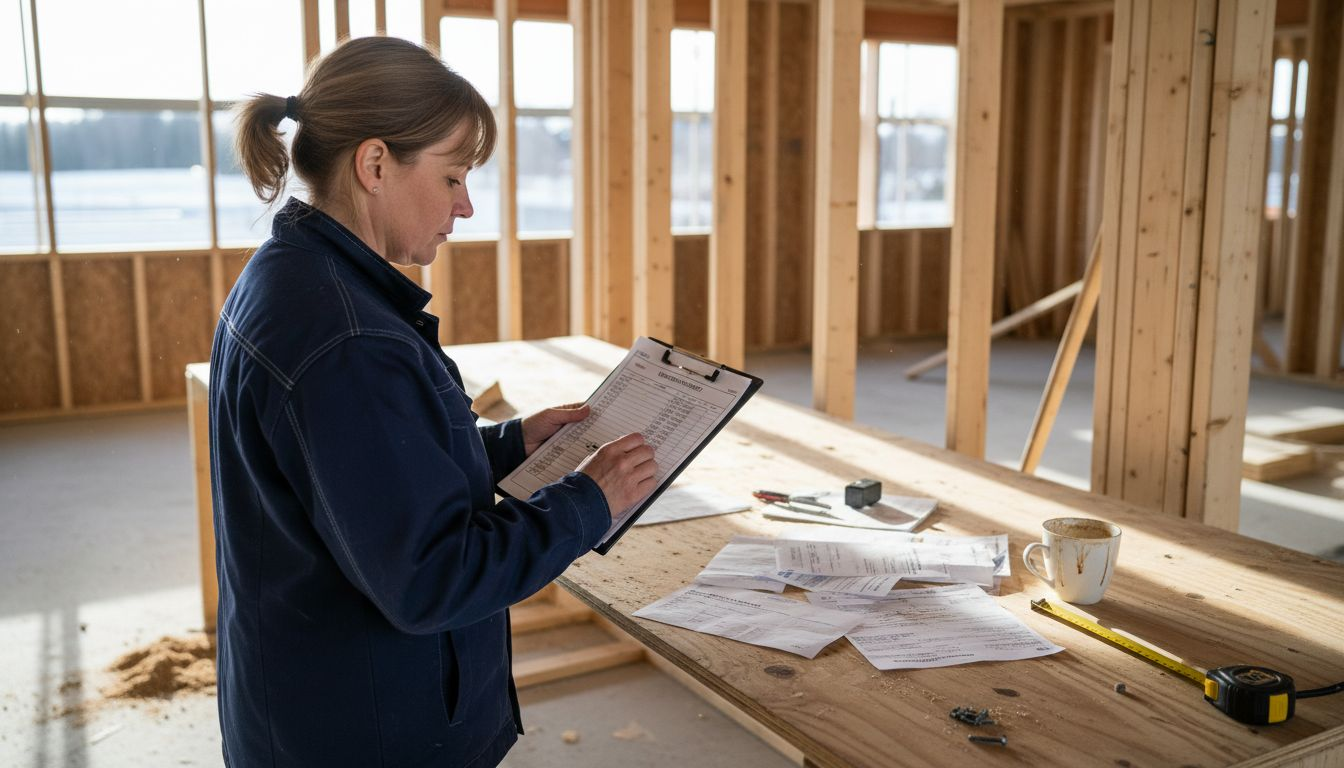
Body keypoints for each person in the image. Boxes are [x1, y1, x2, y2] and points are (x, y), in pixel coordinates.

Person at [213, 36, 656, 767]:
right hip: (369, 734)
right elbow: (431, 580)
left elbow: (363, 480)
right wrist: (587, 502)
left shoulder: (291, 274)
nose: (466, 205)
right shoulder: (349, 341)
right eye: (452, 176)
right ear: (375, 164)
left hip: (310, 702)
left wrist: (509, 445)